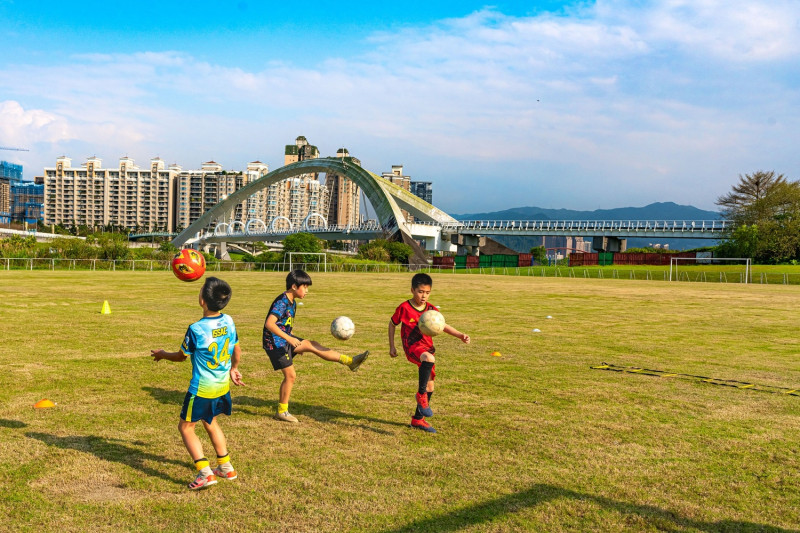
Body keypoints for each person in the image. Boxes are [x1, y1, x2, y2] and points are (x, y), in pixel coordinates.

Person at [150, 276, 245, 490]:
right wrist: (234, 368)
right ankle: (226, 467)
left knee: (185, 427)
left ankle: (205, 473)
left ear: (202, 300)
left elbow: (182, 356)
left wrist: (163, 354)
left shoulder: (196, 329)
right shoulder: (229, 321)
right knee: (210, 422)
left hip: (202, 388)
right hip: (221, 386)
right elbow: (236, 348)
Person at [264, 269, 369, 423]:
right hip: (274, 343)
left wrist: (293, 341)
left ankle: (350, 361)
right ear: (294, 286)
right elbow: (270, 324)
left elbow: (286, 324)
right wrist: (290, 340)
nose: (307, 291)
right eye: (305, 287)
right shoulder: (282, 302)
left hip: (285, 340)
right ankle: (282, 411)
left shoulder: (292, 302)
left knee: (313, 345)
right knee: (290, 376)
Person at [388, 272, 470, 433]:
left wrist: (460, 335)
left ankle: (418, 420)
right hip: (412, 347)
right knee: (428, 359)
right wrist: (392, 346)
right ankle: (420, 395)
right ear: (412, 290)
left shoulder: (431, 309)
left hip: (427, 347)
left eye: (427, 292)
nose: (424, 296)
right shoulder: (404, 308)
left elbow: (443, 325)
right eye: (420, 292)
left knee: (430, 387)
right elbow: (392, 324)